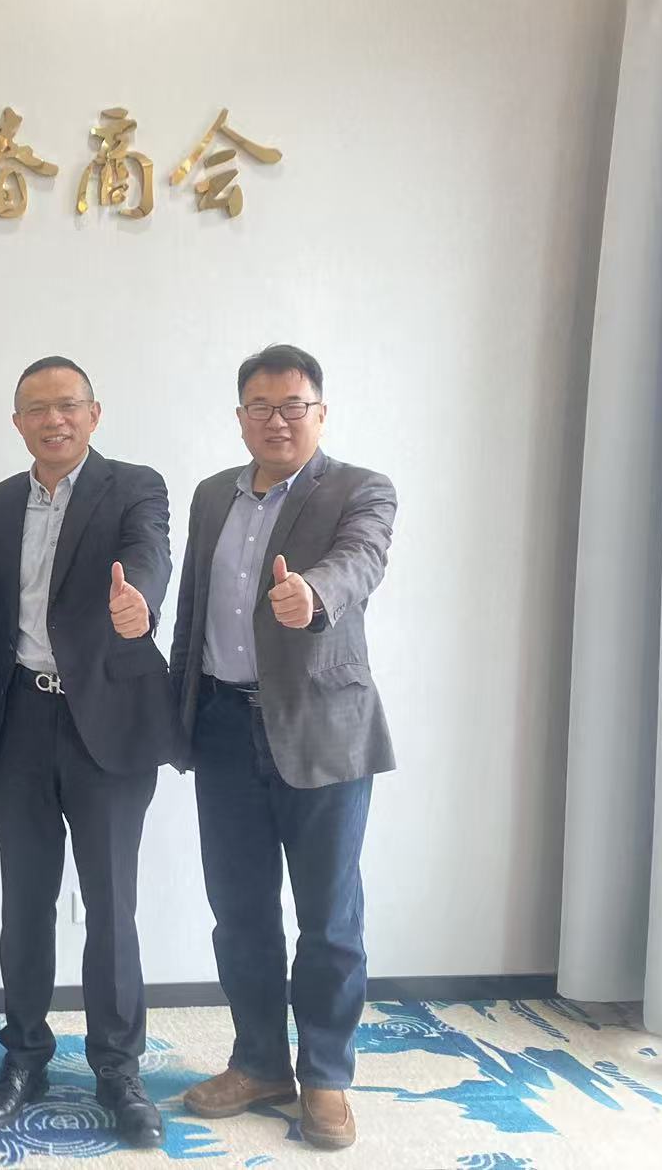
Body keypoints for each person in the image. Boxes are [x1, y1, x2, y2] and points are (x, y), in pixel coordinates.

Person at [169, 343, 397, 1152]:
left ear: (320, 413)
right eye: (261, 407)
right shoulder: (212, 495)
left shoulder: (360, 489)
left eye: (293, 406)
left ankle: (326, 1074)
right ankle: (260, 1061)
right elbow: (193, 607)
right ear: (240, 419)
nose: (277, 420)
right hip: (224, 727)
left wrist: (314, 594)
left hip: (321, 728)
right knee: (239, 913)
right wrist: (178, 713)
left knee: (328, 916)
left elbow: (360, 561)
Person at [0, 355, 184, 1148]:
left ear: (93, 413)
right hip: (17, 718)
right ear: (17, 422)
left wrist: (138, 603)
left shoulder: (134, 487)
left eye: (68, 405)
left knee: (111, 902)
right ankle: (24, 1056)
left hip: (109, 723)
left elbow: (150, 554)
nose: (54, 420)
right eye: (37, 409)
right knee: (26, 899)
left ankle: (118, 1067)